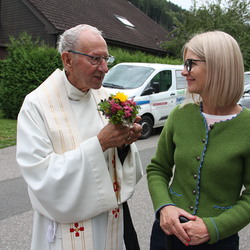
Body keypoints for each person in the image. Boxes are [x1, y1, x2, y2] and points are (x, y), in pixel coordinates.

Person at [16, 24, 143, 250]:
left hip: (109, 221)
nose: (104, 68)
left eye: (106, 59)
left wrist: (124, 143)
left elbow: (122, 169)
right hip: (65, 230)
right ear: (67, 60)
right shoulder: (37, 105)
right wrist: (100, 143)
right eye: (95, 59)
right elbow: (40, 176)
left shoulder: (109, 99)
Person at [147, 30, 250, 250]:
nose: (184, 71)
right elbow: (157, 169)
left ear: (217, 66)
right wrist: (164, 207)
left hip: (219, 241)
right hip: (166, 235)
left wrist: (213, 227)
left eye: (190, 64)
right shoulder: (179, 115)